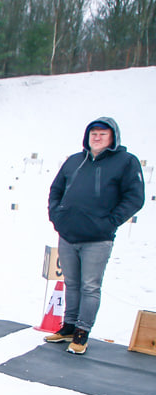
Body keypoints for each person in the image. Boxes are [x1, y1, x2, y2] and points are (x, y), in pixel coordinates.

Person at [46, 117, 145, 355]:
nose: (97, 137)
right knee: (71, 283)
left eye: (102, 133)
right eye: (93, 133)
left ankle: (82, 331)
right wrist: (56, 216)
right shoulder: (74, 161)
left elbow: (135, 197)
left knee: (90, 286)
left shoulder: (125, 162)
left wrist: (110, 222)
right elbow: (56, 190)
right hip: (68, 234)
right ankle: (68, 326)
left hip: (98, 238)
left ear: (113, 137)